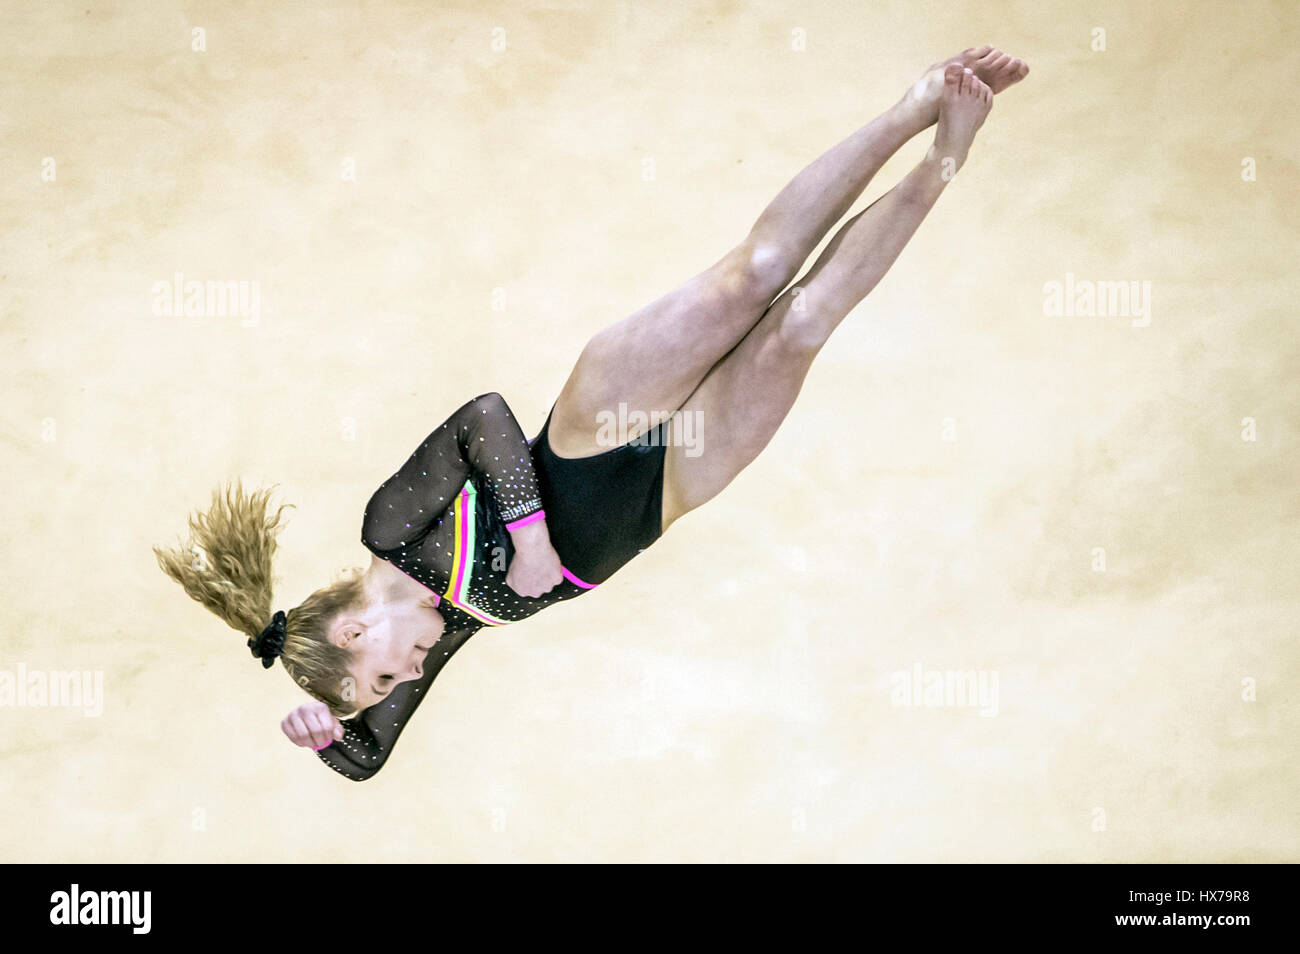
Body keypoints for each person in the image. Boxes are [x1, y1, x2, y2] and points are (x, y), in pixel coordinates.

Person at [155, 48, 1029, 781]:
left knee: (755, 276)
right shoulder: (439, 631)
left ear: (354, 626)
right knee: (799, 327)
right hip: (661, 498)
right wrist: (322, 736)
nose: (413, 674)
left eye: (388, 670)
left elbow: (482, 418)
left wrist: (530, 541)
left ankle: (908, 109)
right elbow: (366, 758)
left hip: (590, 430)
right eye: (397, 683)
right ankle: (946, 157)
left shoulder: (390, 531)